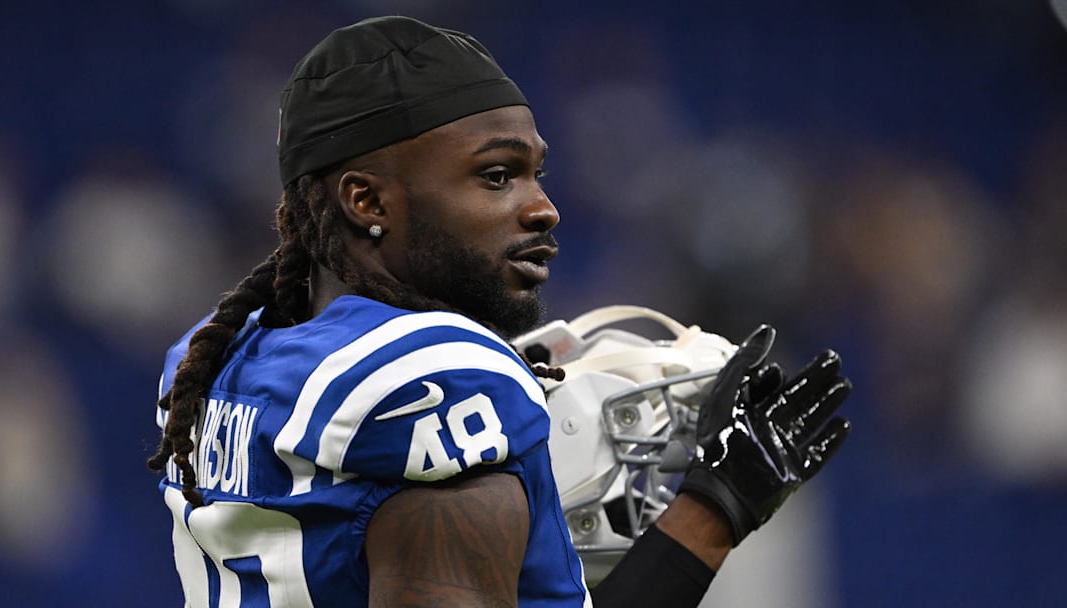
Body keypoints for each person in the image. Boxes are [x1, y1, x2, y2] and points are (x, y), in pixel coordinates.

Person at [148, 15, 852, 607]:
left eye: (534, 173)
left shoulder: (222, 352)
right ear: (367, 201)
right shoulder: (442, 379)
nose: (542, 207)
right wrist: (713, 512)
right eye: (496, 176)